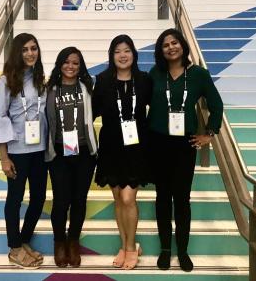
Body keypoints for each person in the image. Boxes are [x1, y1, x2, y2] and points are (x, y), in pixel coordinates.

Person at [148, 28, 223, 272]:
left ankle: (182, 250)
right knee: (162, 198)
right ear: (161, 50)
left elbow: (216, 104)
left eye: (175, 42)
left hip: (184, 145)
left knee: (182, 200)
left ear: (183, 46)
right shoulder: (155, 74)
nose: (171, 47)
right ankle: (165, 250)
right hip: (158, 143)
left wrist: (209, 134)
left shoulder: (199, 75)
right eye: (165, 44)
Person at [0, 33, 48, 269]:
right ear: (16, 53)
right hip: (17, 151)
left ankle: (24, 241)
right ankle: (14, 248)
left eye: (34, 48)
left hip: (40, 150)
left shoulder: (41, 78)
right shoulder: (6, 80)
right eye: (25, 50)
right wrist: (4, 156)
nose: (31, 53)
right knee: (15, 199)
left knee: (39, 198)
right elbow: (0, 118)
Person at [93, 34, 152, 270]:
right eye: (118, 51)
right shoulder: (103, 80)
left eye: (127, 50)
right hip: (111, 146)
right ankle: (125, 244)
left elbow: (157, 108)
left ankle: (130, 248)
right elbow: (93, 111)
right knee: (118, 198)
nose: (123, 55)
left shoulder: (144, 80)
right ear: (112, 55)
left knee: (129, 198)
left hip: (137, 146)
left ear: (134, 54)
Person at [45, 47, 97, 268]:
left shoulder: (88, 86)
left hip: (84, 152)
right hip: (59, 152)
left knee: (79, 200)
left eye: (75, 63)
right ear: (59, 64)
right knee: (60, 201)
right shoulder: (50, 89)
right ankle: (59, 242)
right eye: (66, 62)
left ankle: (73, 241)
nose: (70, 66)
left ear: (80, 66)